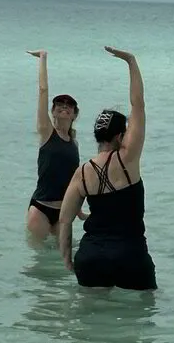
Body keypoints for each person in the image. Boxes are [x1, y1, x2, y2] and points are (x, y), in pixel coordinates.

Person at [58, 47, 156, 291]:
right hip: (130, 256)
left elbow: (65, 219)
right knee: (138, 319)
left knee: (91, 322)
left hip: (91, 256)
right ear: (121, 136)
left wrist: (67, 255)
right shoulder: (128, 158)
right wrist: (131, 62)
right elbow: (138, 105)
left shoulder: (82, 172)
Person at [26, 49, 80, 242]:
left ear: (74, 114)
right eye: (60, 104)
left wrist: (79, 210)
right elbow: (42, 91)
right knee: (39, 263)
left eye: (69, 105)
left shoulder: (73, 143)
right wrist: (43, 58)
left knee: (62, 264)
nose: (64, 106)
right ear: (53, 112)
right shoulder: (47, 132)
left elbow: (72, 180)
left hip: (64, 211)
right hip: (40, 207)